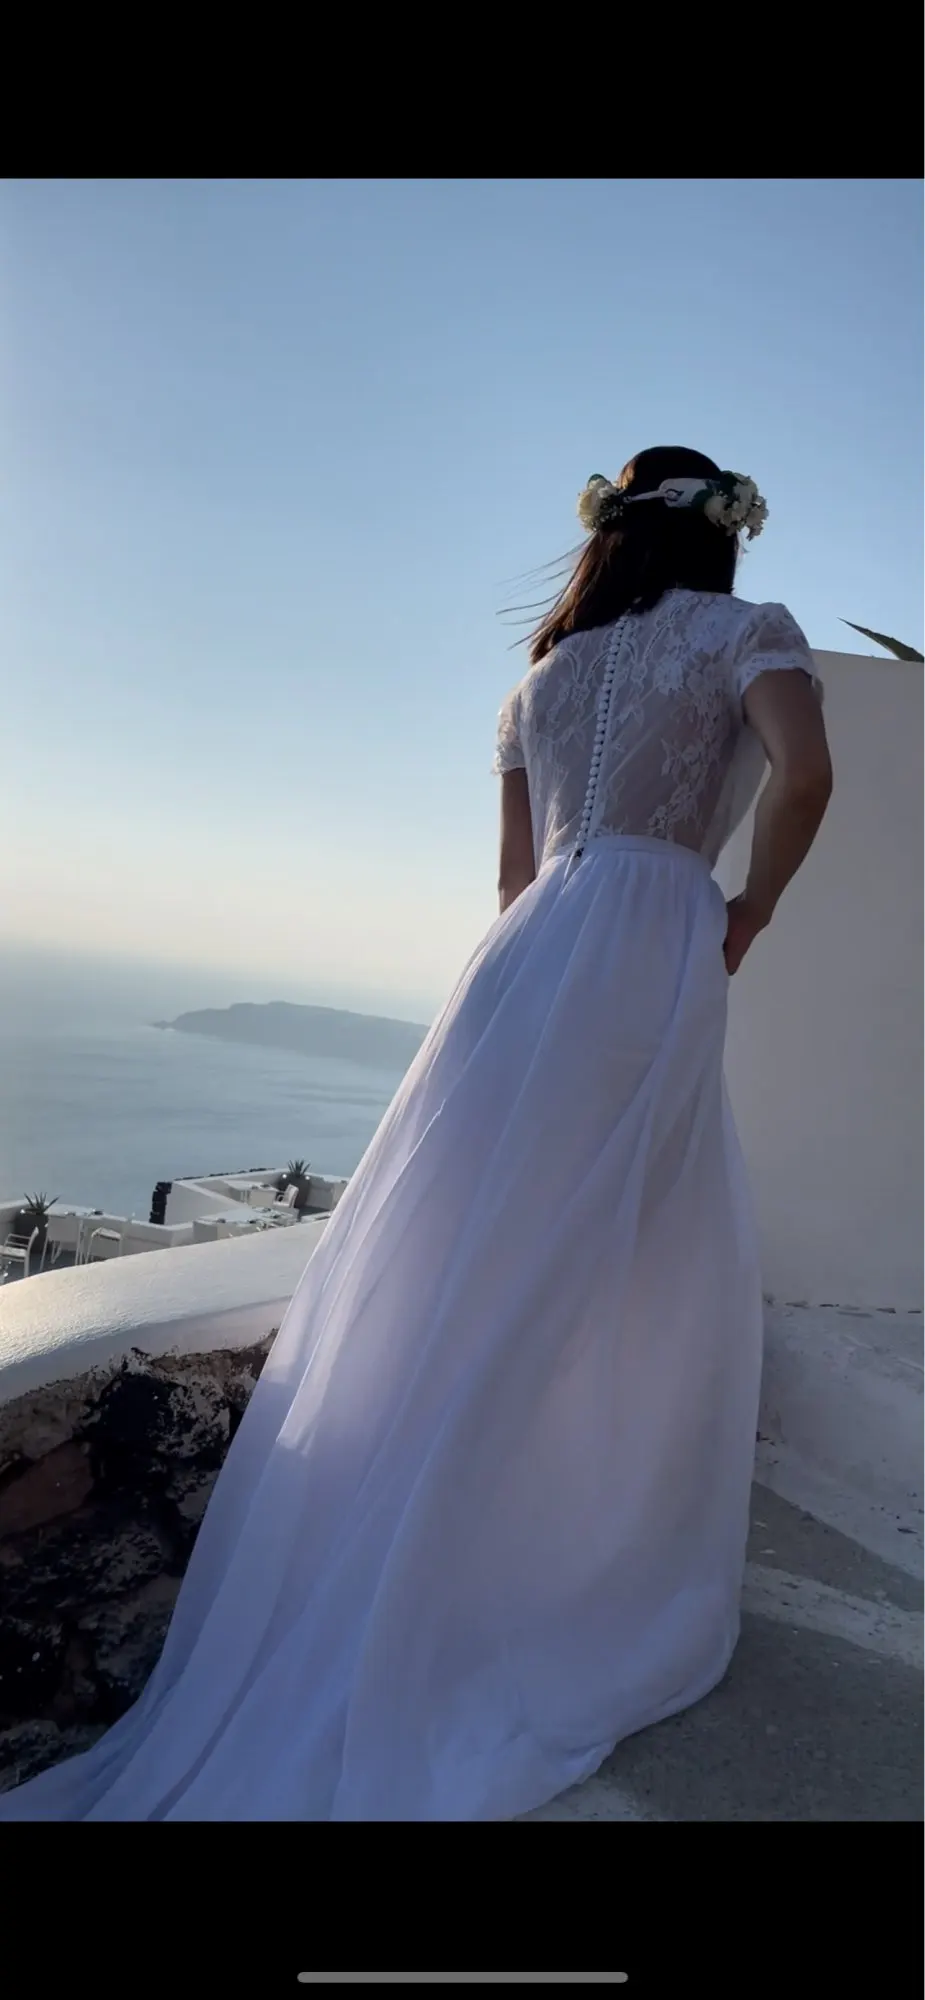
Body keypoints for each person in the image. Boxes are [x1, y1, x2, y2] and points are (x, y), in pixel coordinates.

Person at [0, 446, 832, 1822]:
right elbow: (806, 776)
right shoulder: (750, 631)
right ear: (721, 532)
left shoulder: (541, 677)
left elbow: (512, 879)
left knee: (472, 1245)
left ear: (612, 534)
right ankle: (556, 1549)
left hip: (521, 961)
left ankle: (435, 1541)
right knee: (633, 1242)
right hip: (650, 942)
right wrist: (753, 908)